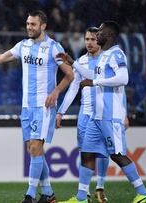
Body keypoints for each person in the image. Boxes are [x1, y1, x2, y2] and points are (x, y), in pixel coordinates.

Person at [0, 10, 74, 203]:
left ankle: (30, 195)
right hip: (26, 106)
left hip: (43, 106)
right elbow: (0, 58)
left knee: (36, 148)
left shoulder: (54, 48)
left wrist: (56, 92)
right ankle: (48, 193)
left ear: (43, 26)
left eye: (33, 24)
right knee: (33, 149)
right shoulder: (23, 45)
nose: (29, 27)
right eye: (28, 24)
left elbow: (70, 74)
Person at [58, 21, 146, 203]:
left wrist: (96, 83)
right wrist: (73, 63)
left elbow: (123, 79)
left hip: (110, 116)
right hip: (96, 116)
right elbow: (95, 76)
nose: (96, 35)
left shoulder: (116, 54)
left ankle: (143, 192)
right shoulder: (104, 57)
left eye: (99, 32)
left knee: (117, 155)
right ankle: (81, 198)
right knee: (86, 152)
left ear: (108, 35)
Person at [56, 27, 109, 203]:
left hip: (103, 114)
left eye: (93, 39)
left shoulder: (106, 60)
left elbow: (119, 89)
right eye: (87, 39)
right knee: (85, 153)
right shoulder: (81, 61)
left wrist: (122, 113)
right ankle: (84, 193)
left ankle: (100, 187)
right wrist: (61, 112)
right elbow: (73, 89)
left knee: (103, 153)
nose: (89, 42)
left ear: (99, 40)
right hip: (85, 114)